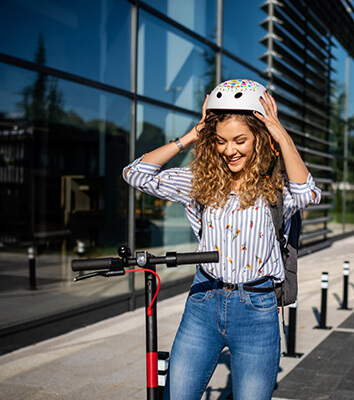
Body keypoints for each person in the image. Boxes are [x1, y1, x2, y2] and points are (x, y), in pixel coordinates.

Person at [122, 79, 321, 400]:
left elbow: (308, 193)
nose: (230, 150)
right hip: (204, 302)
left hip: (258, 308)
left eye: (240, 140)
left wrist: (279, 132)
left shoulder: (279, 185)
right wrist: (193, 134)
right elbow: (136, 174)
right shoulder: (199, 180)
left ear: (259, 137)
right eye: (220, 141)